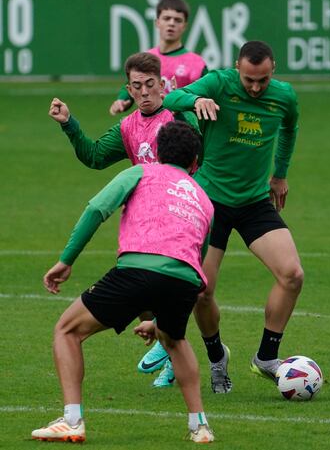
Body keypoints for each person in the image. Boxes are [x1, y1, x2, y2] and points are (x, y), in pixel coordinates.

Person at [31, 121, 215, 444]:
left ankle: (72, 420)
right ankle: (199, 426)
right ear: (195, 163)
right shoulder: (205, 200)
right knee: (175, 340)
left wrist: (67, 260)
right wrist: (158, 321)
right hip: (185, 281)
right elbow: (189, 263)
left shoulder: (142, 172)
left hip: (136, 269)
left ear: (157, 152)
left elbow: (97, 209)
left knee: (67, 330)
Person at [143, 40, 303, 394]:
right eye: (249, 80)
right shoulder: (218, 82)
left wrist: (280, 173)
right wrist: (194, 100)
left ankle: (266, 357)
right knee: (202, 290)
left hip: (254, 201)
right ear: (237, 68)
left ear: (273, 69)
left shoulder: (285, 96)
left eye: (262, 80)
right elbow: (170, 99)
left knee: (291, 275)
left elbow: (290, 129)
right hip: (210, 202)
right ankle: (217, 359)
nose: (256, 88)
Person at [49, 52, 200, 171]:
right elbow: (94, 156)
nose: (144, 92)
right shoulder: (127, 127)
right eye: (137, 86)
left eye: (149, 84)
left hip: (183, 204)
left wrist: (181, 115)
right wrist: (68, 122)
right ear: (129, 90)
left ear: (161, 85)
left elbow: (203, 154)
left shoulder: (180, 115)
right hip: (150, 205)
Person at [109, 0, 207, 116]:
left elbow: (206, 98)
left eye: (177, 20)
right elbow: (130, 84)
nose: (171, 23)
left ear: (185, 26)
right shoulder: (146, 57)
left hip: (182, 130)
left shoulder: (197, 64)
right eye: (167, 18)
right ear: (157, 22)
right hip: (149, 128)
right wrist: (122, 100)